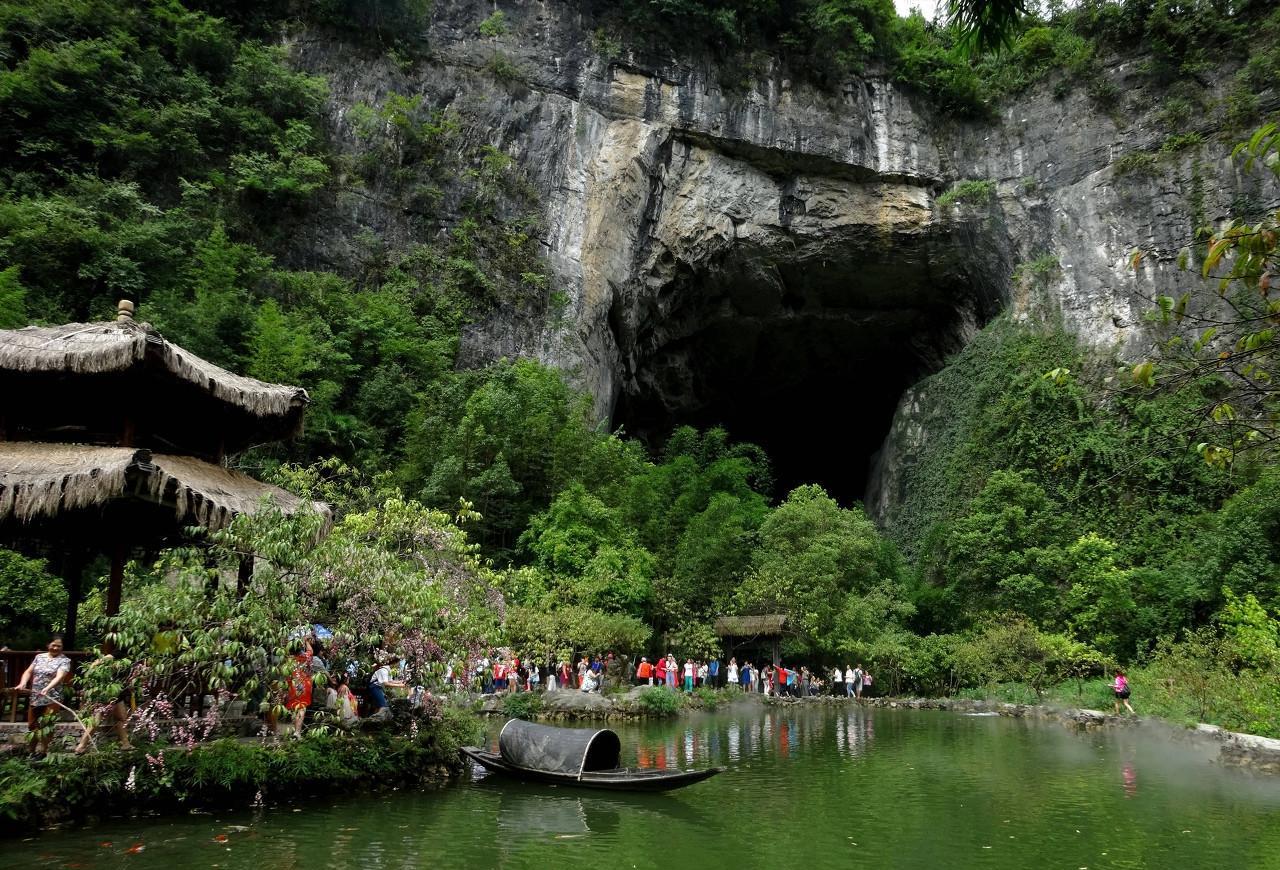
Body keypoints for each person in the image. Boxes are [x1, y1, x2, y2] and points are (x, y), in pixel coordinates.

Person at [17, 636, 72, 757]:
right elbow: (28, 672)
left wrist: (47, 688)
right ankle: (31, 751)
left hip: (52, 697)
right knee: (32, 725)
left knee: (47, 725)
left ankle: (43, 752)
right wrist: (23, 682)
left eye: (59, 646)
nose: (56, 648)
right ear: (48, 645)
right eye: (53, 645)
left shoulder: (64, 660)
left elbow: (59, 677)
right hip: (35, 696)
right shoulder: (39, 657)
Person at [73, 653, 133, 755]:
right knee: (96, 721)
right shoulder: (103, 664)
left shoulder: (122, 666)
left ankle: (125, 743)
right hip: (103, 695)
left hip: (117, 694)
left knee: (121, 718)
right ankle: (81, 746)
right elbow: (90, 673)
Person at [284, 640, 314, 738]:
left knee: (294, 708)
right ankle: (297, 732)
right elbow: (310, 650)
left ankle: (295, 730)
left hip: (292, 684)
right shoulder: (306, 657)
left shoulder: (288, 659)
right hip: (304, 685)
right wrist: (306, 641)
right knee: (301, 708)